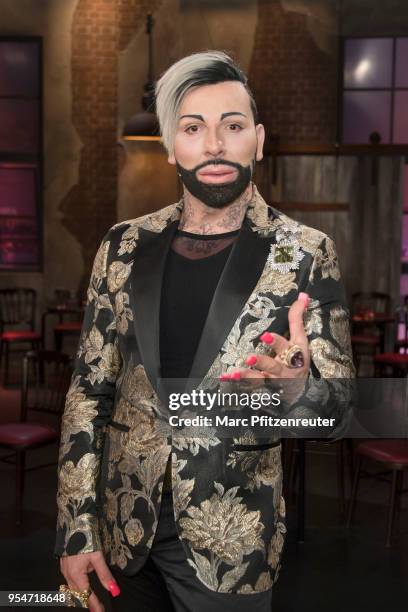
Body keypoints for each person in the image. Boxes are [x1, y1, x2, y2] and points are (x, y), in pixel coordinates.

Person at [55, 50, 355, 612]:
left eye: (233, 126)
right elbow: (87, 393)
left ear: (258, 140)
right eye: (193, 128)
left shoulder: (306, 253)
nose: (214, 144)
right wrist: (76, 529)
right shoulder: (121, 246)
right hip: (122, 531)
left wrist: (295, 391)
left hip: (231, 543)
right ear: (172, 144)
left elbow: (335, 412)